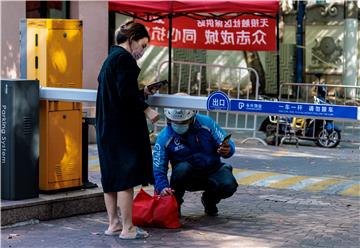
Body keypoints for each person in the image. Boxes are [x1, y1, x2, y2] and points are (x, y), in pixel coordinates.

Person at [96, 21, 159, 240]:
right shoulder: (125, 59)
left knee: (111, 178)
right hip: (121, 130)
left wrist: (141, 92)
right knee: (125, 179)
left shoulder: (110, 59)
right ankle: (128, 228)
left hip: (106, 127)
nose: (143, 51)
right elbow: (125, 93)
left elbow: (119, 91)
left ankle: (113, 223)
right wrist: (148, 109)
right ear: (131, 39)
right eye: (143, 45)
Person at [153, 97, 238, 216]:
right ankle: (175, 203)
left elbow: (226, 143)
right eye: (175, 121)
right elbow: (158, 167)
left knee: (229, 184)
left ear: (193, 117)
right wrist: (162, 187)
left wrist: (227, 150)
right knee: (182, 168)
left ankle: (209, 200)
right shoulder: (164, 137)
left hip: (212, 170)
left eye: (183, 122)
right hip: (186, 177)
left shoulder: (207, 123)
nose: (179, 125)